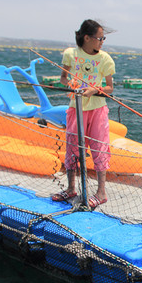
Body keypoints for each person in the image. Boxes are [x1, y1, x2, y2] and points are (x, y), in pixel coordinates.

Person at [51, 19, 115, 209]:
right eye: (99, 38)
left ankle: (101, 193)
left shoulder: (105, 59)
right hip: (75, 108)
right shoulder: (70, 54)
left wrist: (94, 89)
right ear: (87, 38)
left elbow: (110, 88)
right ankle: (71, 188)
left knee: (99, 147)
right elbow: (63, 78)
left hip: (97, 109)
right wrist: (71, 84)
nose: (102, 41)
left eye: (103, 38)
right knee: (72, 147)